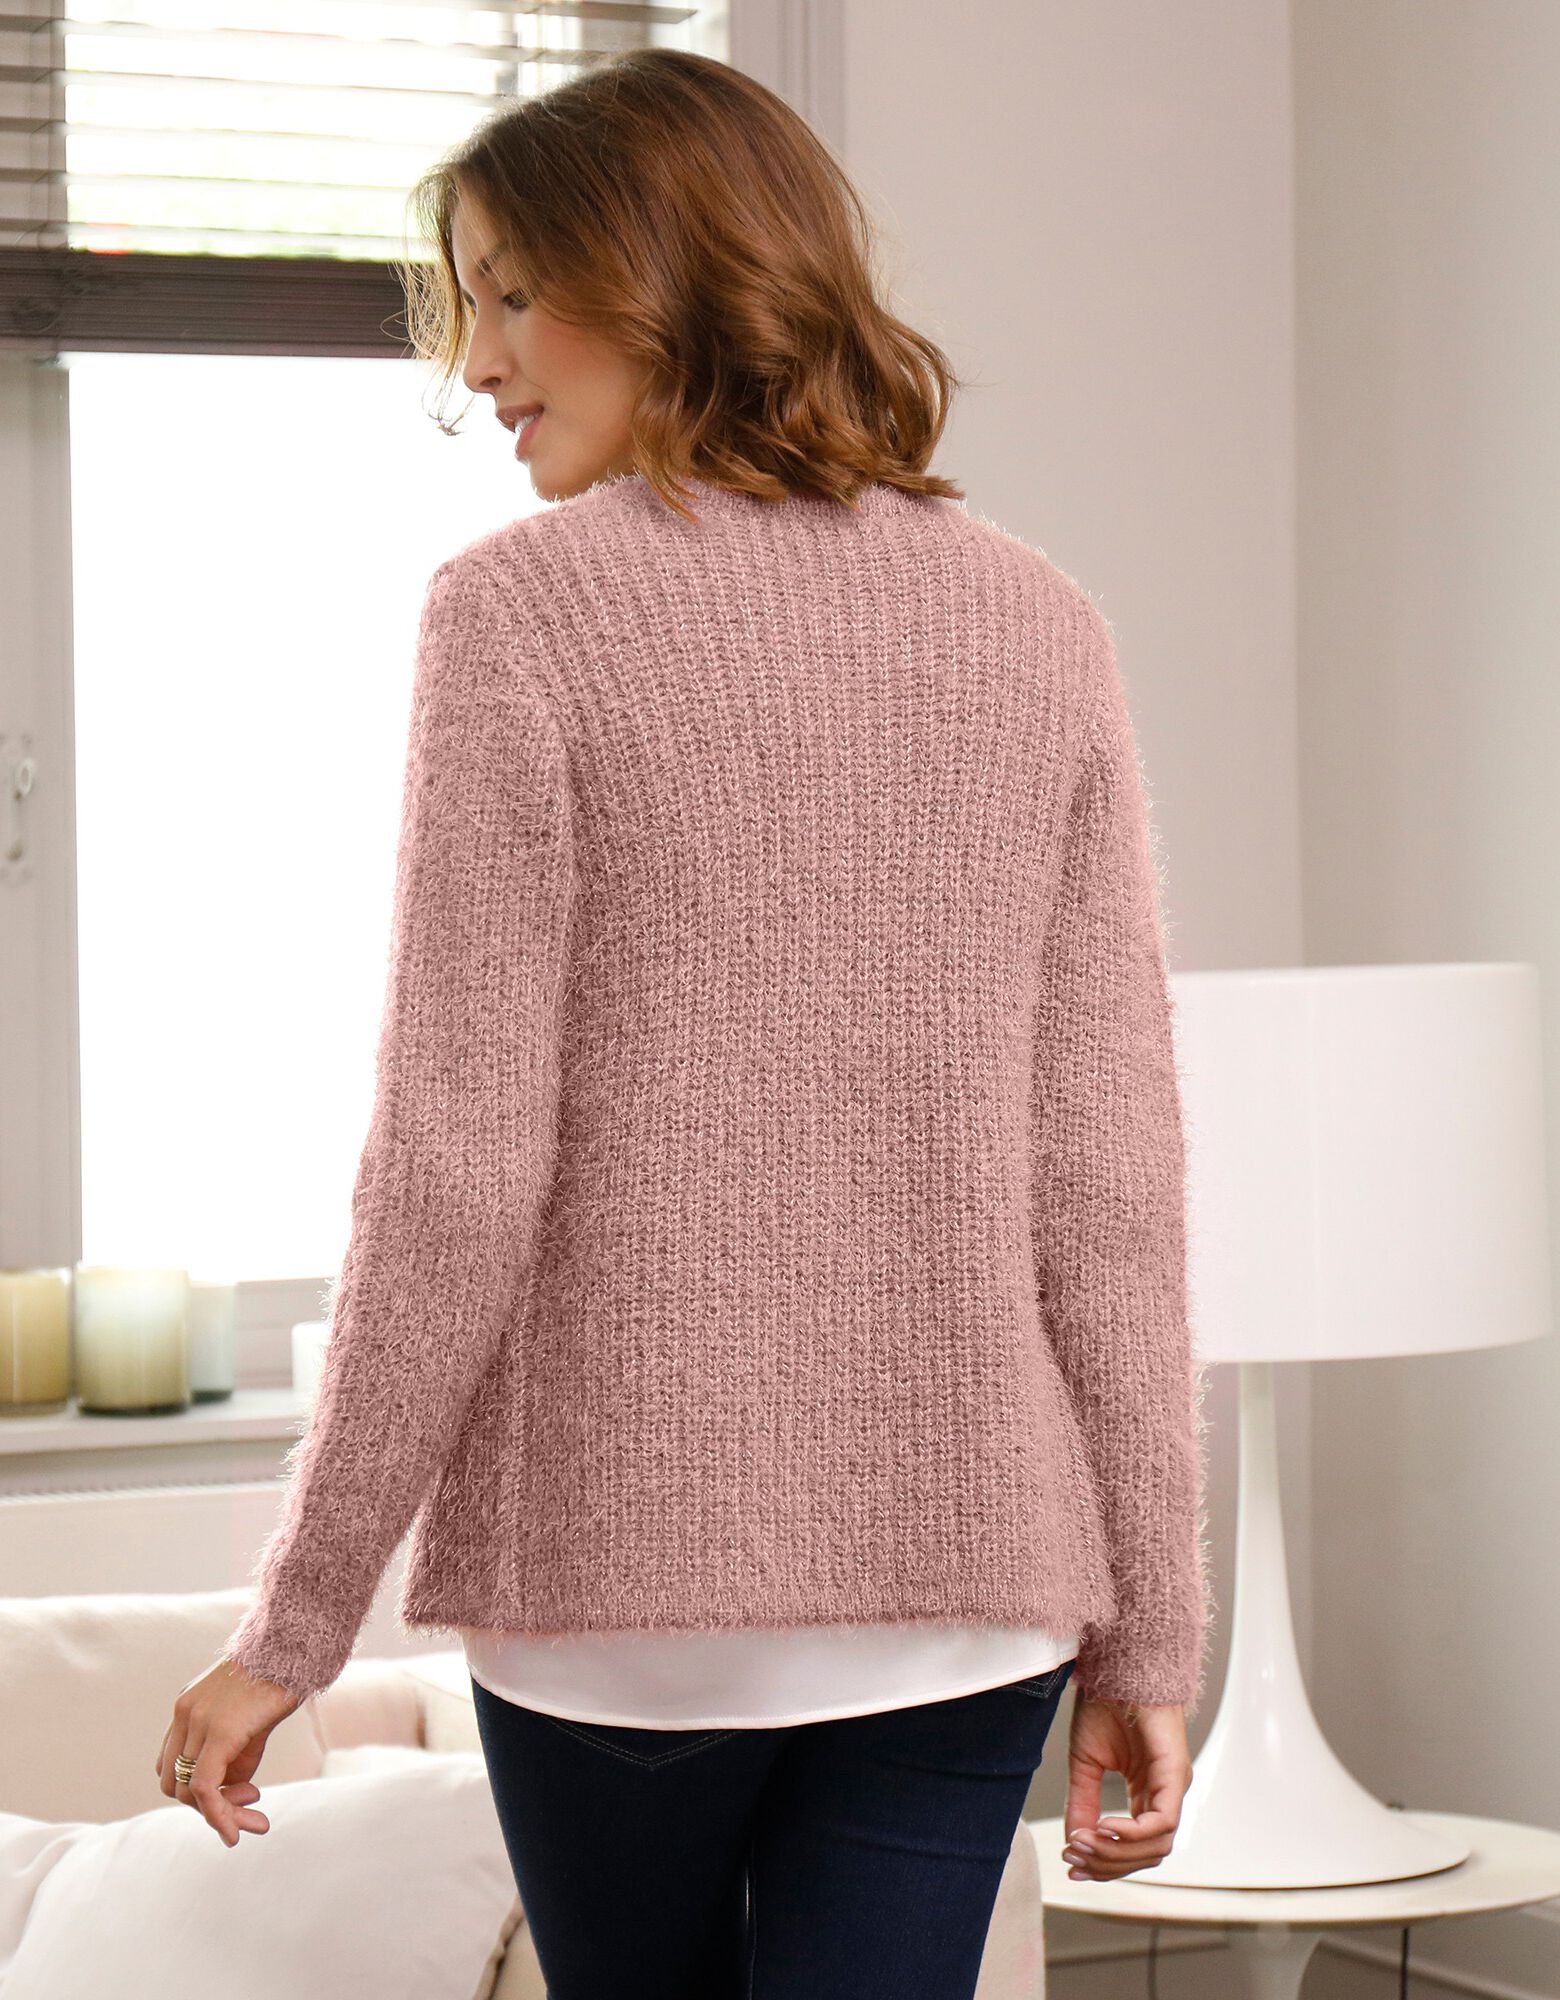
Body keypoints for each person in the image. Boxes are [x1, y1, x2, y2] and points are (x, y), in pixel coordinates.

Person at [155, 47, 1211, 1999]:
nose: (478, 363)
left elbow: (456, 1172)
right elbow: (1115, 1190)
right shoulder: (1040, 623)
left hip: (621, 1615)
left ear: (662, 276)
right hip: (969, 1605)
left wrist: (292, 1626)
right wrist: (1156, 1624)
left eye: (510, 295)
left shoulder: (519, 617)